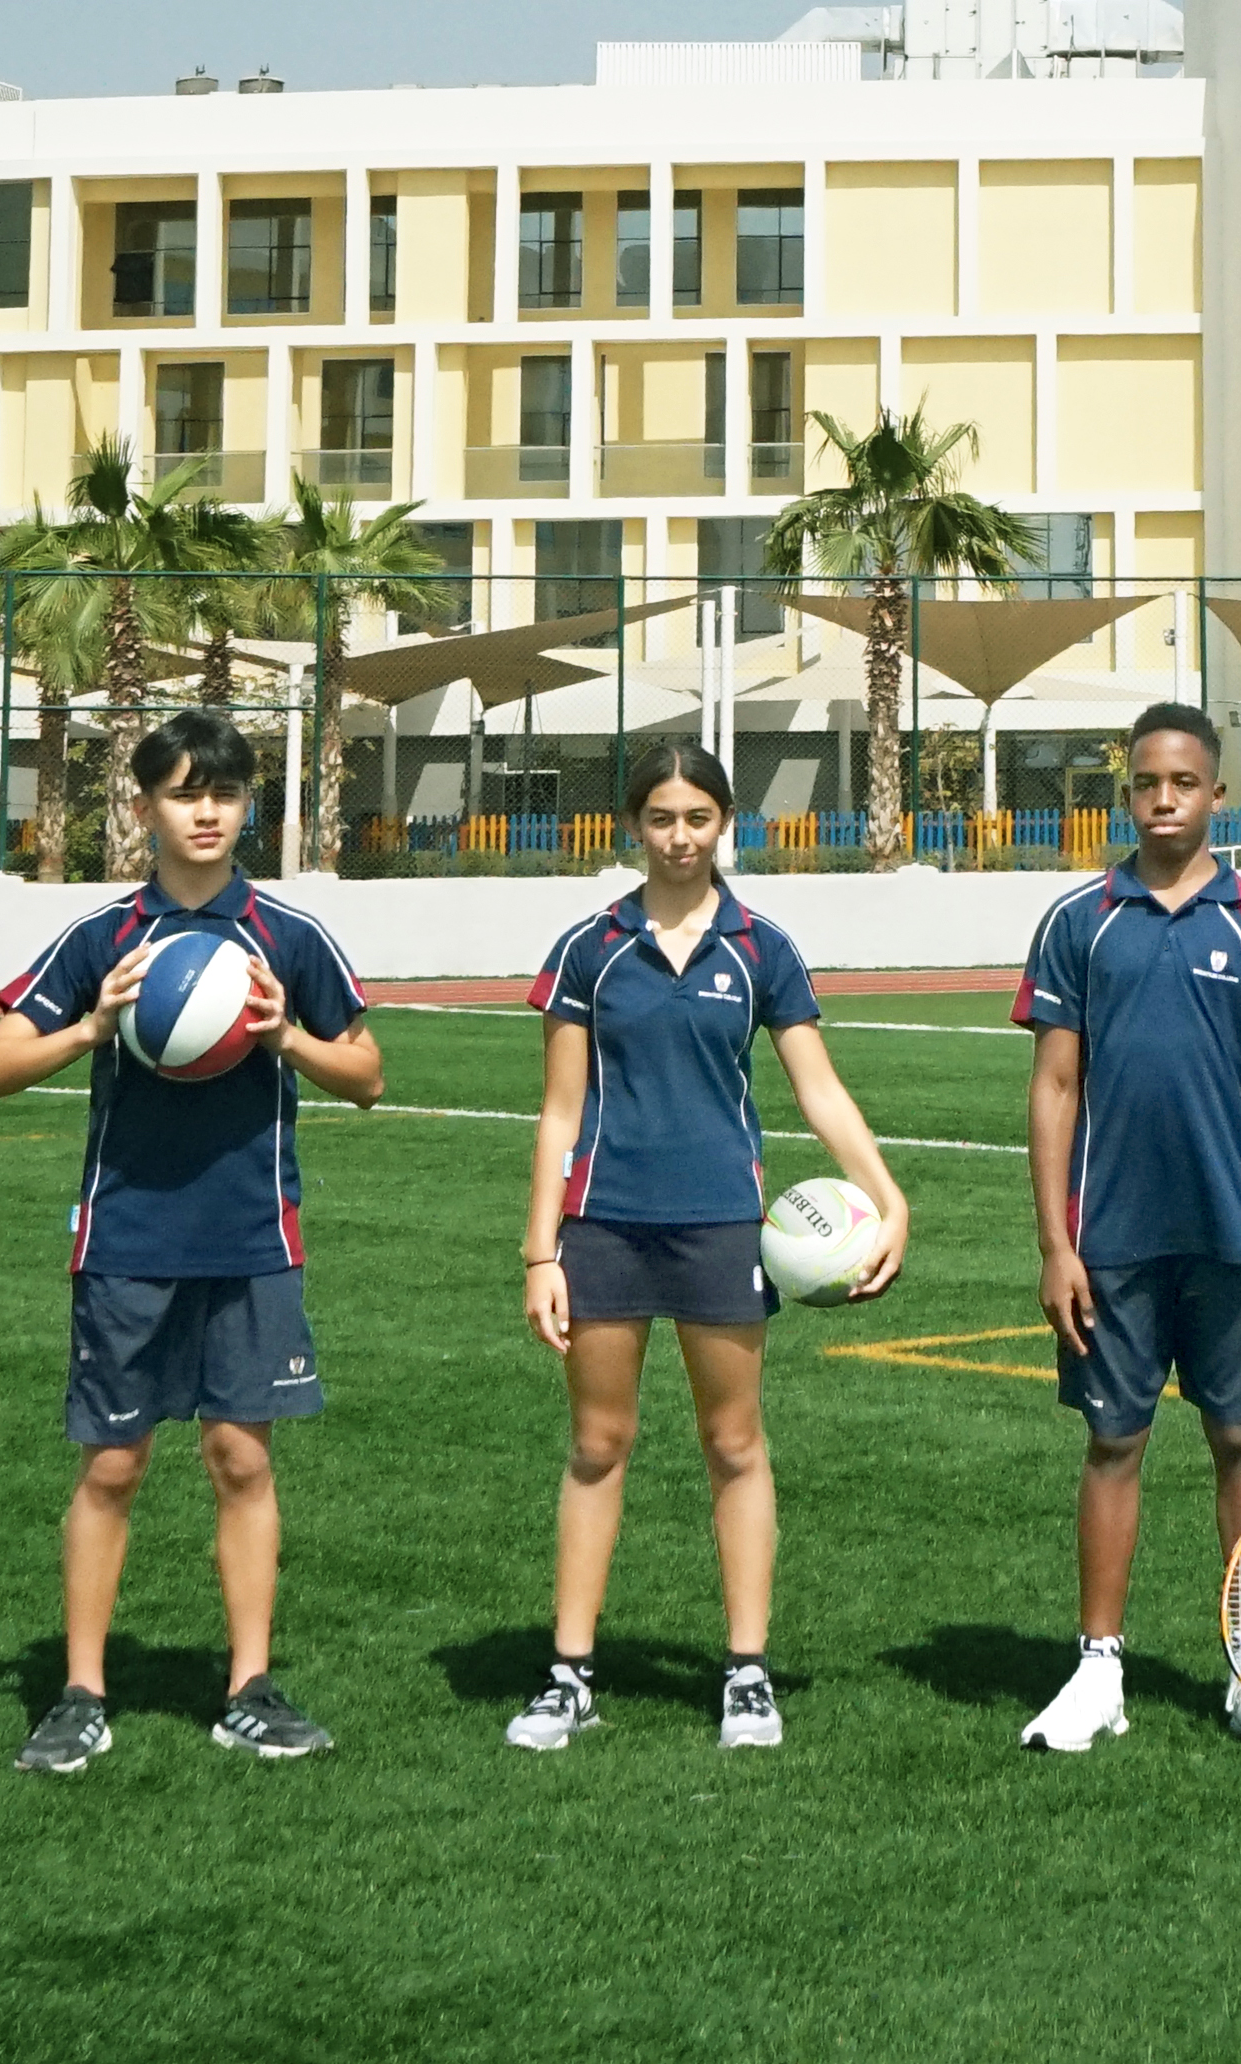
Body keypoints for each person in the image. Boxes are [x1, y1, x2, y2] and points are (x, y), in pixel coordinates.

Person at [0, 705, 387, 1776]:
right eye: (185, 792)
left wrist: (285, 1033)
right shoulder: (105, 938)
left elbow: (369, 1074)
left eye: (226, 792)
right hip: (129, 1236)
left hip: (252, 1236)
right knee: (114, 1462)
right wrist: (91, 1029)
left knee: (242, 1455)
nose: (207, 811)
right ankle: (80, 1692)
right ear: (144, 806)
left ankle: (249, 1685)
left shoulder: (285, 936)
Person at [505, 745, 922, 1755]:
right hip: (604, 1223)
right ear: (631, 827)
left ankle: (744, 1673)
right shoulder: (588, 948)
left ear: (724, 822)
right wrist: (540, 1249)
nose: (680, 835)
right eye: (661, 817)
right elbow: (560, 1114)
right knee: (599, 1445)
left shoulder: (759, 947)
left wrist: (886, 1193)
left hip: (724, 1227)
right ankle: (569, 1676)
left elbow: (816, 1088)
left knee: (734, 1444)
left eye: (697, 816)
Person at [1012, 705, 1241, 1753]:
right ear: (1129, 793)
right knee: (1114, 1441)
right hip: (1109, 1239)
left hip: (1234, 1236)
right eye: (1147, 781)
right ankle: (1098, 1669)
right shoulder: (1079, 919)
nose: (1164, 798)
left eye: (1184, 782)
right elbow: (1055, 1085)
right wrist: (1057, 1244)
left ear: (1215, 793)